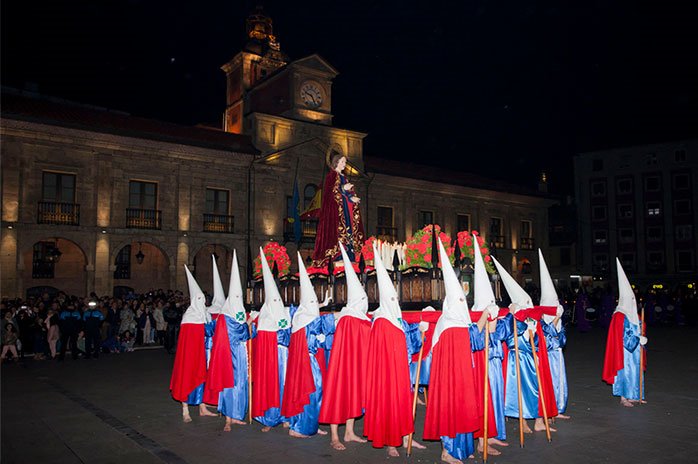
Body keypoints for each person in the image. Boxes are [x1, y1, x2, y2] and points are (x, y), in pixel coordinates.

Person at [424, 239, 490, 463]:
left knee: (462, 409)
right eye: (460, 300)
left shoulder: (451, 322)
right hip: (452, 380)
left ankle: (462, 448)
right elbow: (474, 339)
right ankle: (447, 452)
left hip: (460, 377)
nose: (463, 303)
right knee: (452, 410)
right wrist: (484, 315)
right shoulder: (451, 325)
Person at [363, 242, 426, 457]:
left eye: (395, 298)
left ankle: (408, 436)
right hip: (386, 374)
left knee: (404, 404)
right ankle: (391, 442)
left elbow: (411, 342)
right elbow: (378, 352)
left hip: (401, 371)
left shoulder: (398, 319)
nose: (394, 301)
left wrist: (420, 330)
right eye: (391, 299)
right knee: (389, 406)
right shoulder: (380, 321)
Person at [493, 257, 559, 434]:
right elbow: (508, 338)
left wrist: (536, 331)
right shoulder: (511, 319)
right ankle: (522, 422)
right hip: (518, 360)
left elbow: (541, 338)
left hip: (533, 358)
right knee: (520, 391)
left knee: (539, 388)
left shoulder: (533, 319)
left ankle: (539, 420)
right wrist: (520, 324)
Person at [318, 243, 371, 450]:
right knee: (338, 396)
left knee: (353, 397)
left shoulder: (357, 317)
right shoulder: (349, 318)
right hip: (342, 367)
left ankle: (349, 432)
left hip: (355, 365)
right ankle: (334, 436)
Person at [281, 253, 334, 438]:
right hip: (308, 364)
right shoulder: (307, 320)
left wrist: (322, 305)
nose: (315, 305)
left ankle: (310, 423)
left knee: (310, 392)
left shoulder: (299, 316)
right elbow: (320, 336)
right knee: (312, 392)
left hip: (302, 362)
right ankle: (300, 428)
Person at [469, 233, 510, 454]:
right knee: (483, 400)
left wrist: (502, 321)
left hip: (494, 365)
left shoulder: (493, 314)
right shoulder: (474, 317)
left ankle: (492, 434)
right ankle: (482, 440)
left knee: (495, 399)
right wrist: (486, 320)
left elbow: (500, 336)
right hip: (481, 366)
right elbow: (477, 341)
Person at [204, 253, 252, 431]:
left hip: (240, 354)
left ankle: (237, 415)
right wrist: (248, 324)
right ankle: (228, 418)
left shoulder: (233, 314)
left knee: (241, 384)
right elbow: (241, 334)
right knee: (229, 385)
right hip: (229, 355)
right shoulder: (225, 318)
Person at [169, 266, 217, 422]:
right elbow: (191, 337)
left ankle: (202, 407)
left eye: (203, 299)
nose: (202, 301)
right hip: (188, 355)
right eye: (199, 299)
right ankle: (185, 410)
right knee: (187, 377)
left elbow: (208, 332)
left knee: (202, 377)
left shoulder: (204, 314)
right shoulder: (189, 316)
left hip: (201, 353)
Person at [252, 247, 292, 432]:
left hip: (282, 358)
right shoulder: (263, 318)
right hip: (268, 360)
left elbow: (288, 334)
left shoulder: (284, 313)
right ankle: (269, 419)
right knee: (269, 386)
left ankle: (285, 416)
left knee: (283, 384)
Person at [602, 258, 647, 407]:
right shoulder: (620, 315)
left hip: (634, 350)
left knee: (635, 371)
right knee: (625, 372)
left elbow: (637, 326)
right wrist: (637, 338)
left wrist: (641, 330)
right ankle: (623, 397)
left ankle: (634, 394)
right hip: (624, 351)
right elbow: (625, 338)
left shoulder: (632, 313)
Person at [310, 152, 365, 269]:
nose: (345, 164)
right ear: (336, 162)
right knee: (339, 232)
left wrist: (352, 198)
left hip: (346, 210)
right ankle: (338, 256)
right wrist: (343, 188)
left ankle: (349, 255)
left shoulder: (344, 177)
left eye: (345, 162)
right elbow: (331, 194)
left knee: (349, 230)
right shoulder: (332, 175)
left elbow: (346, 195)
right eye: (342, 162)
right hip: (336, 212)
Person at [538, 249, 570, 419]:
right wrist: (556, 319)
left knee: (560, 382)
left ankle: (559, 408)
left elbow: (562, 340)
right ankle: (550, 409)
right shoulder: (542, 321)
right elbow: (547, 339)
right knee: (550, 383)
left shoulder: (555, 318)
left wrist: (560, 324)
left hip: (558, 355)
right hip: (548, 356)